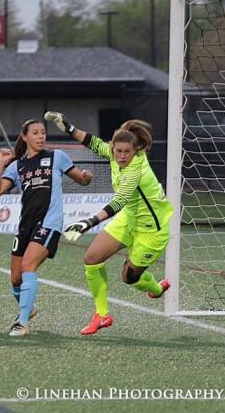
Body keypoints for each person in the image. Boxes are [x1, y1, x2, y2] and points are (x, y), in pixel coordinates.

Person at [45, 112, 174, 335]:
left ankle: (156, 287)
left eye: (127, 152)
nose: (122, 156)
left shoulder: (137, 171)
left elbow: (119, 201)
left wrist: (88, 222)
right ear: (113, 149)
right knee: (91, 258)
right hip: (129, 219)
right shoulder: (113, 154)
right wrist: (67, 126)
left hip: (152, 230)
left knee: (129, 277)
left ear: (137, 151)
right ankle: (102, 315)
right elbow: (92, 142)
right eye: (118, 151)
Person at [0, 119, 93, 337]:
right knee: (15, 279)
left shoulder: (57, 157)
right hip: (25, 225)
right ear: (24, 137)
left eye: (43, 132)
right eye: (35, 133)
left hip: (49, 222)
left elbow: (81, 181)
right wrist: (1, 163)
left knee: (28, 266)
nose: (40, 136)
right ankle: (29, 307)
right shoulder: (17, 166)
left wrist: (85, 177)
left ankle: (23, 322)